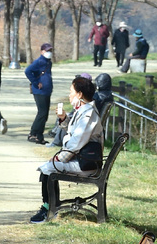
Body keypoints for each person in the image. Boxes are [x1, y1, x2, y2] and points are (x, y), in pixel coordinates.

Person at [30, 75, 104, 223]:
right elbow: (75, 134)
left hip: (86, 164)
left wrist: (58, 158)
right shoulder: (83, 110)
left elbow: (76, 143)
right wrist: (64, 118)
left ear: (80, 94)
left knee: (48, 168)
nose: (70, 95)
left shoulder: (88, 114)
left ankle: (49, 209)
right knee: (47, 167)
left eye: (71, 92)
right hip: (82, 159)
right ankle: (50, 206)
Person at [25, 42, 53, 144]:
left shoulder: (49, 62)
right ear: (42, 52)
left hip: (47, 90)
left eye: (50, 51)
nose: (49, 52)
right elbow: (28, 71)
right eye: (47, 51)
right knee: (42, 113)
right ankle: (32, 133)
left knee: (45, 115)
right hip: (39, 91)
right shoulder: (39, 61)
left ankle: (39, 136)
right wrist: (36, 83)